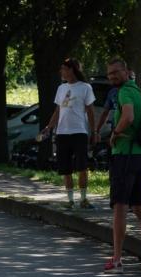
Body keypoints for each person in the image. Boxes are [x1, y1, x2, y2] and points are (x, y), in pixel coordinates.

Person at [103, 58, 141, 274]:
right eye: (109, 74)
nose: (112, 77)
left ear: (126, 71)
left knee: (120, 207)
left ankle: (117, 260)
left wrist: (115, 133)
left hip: (125, 156)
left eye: (115, 72)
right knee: (139, 207)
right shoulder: (138, 91)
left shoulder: (125, 92)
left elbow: (128, 116)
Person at [40, 58, 97, 209]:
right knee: (65, 168)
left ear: (72, 70)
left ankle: (83, 199)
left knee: (82, 167)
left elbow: (90, 111)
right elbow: (58, 110)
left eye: (64, 69)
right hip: (62, 133)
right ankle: (70, 200)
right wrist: (49, 127)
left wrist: (94, 131)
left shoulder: (85, 88)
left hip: (79, 132)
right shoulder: (61, 88)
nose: (61, 72)